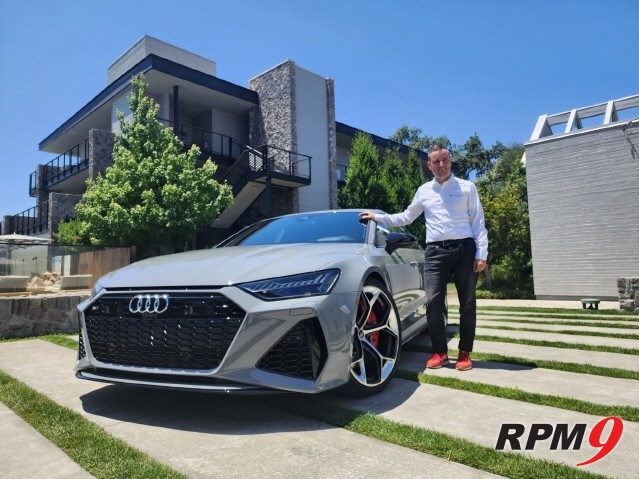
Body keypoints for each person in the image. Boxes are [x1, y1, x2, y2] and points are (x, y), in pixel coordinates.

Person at [360, 143, 488, 371]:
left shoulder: (467, 187)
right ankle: (440, 352)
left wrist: (481, 254)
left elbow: (478, 222)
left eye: (444, 160)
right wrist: (377, 218)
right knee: (433, 301)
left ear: (450, 161)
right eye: (436, 161)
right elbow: (406, 217)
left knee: (467, 303)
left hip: (465, 249)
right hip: (435, 252)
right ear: (429, 165)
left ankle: (464, 353)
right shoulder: (424, 190)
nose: (441, 164)